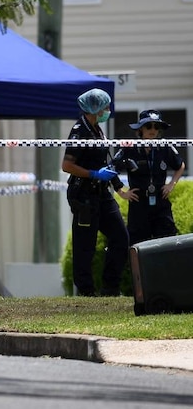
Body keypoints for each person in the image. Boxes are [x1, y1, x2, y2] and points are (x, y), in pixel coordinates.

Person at [62, 88, 131, 297]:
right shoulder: (79, 130)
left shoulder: (97, 129)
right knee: (85, 245)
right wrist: (93, 174)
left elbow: (103, 163)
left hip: (102, 193)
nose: (108, 110)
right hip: (84, 195)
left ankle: (110, 287)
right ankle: (86, 292)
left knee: (120, 237)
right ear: (95, 108)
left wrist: (118, 186)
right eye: (106, 107)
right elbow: (66, 165)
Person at [117, 109, 185, 245]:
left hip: (160, 200)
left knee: (167, 243)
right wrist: (122, 192)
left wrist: (172, 184)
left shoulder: (165, 146)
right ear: (141, 128)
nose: (153, 130)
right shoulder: (130, 147)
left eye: (156, 126)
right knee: (138, 246)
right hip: (139, 203)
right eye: (148, 126)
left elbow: (180, 165)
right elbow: (111, 169)